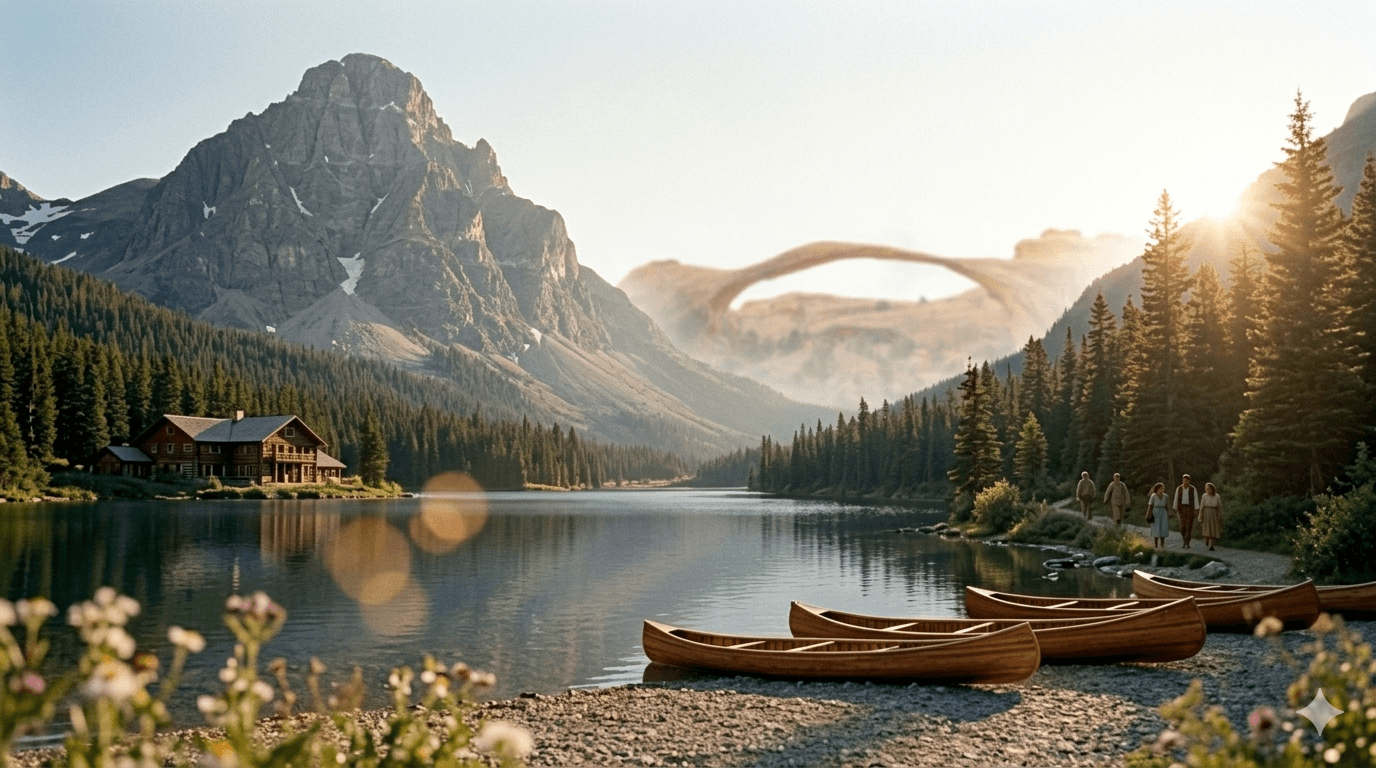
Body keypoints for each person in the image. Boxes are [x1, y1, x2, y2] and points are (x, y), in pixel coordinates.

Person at [1172, 474, 1200, 548]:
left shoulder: (1192, 489)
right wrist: (1174, 508)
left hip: (1190, 509)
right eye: (1184, 481)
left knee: (1189, 526)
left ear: (1189, 481)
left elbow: (1196, 499)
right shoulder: (1179, 488)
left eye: (1187, 481)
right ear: (1182, 480)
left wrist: (1196, 509)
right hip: (1181, 509)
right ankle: (1184, 539)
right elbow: (1176, 498)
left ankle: (1187, 542)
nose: (1185, 482)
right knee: (1182, 527)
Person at [1199, 482, 1223, 551]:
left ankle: (1211, 545)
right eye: (1206, 489)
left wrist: (1219, 516)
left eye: (1209, 489)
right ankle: (1206, 539)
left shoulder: (1217, 496)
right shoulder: (1204, 496)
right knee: (1207, 529)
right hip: (1206, 512)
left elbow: (1219, 507)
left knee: (1213, 529)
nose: (1208, 491)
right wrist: (1200, 516)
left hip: (1214, 513)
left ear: (1212, 489)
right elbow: (1202, 506)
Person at [1146, 482, 1169, 549]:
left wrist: (1169, 513)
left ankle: (1162, 544)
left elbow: (1167, 506)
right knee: (1156, 528)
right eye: (1160, 489)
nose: (1162, 490)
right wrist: (1148, 514)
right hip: (1155, 512)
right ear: (1157, 489)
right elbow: (1150, 506)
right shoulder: (1153, 496)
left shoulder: (1165, 496)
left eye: (1163, 489)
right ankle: (1156, 545)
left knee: (1163, 528)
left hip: (1163, 512)